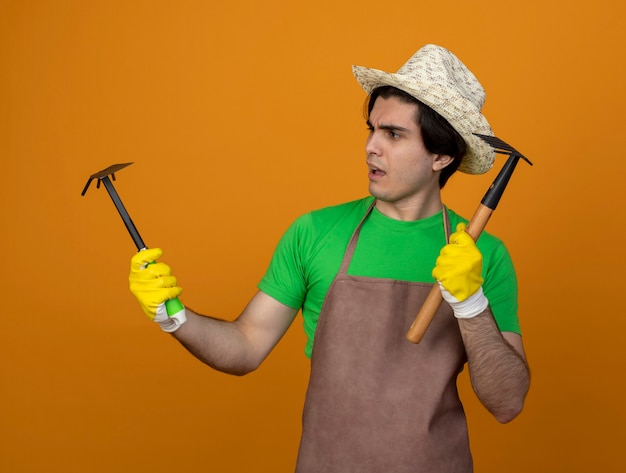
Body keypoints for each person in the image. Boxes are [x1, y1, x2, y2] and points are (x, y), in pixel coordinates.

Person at [129, 44, 530, 472]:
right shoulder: (316, 234)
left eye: (393, 134)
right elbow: (245, 348)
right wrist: (173, 316)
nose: (371, 148)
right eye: (371, 129)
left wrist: (471, 303)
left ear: (441, 155)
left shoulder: (483, 255)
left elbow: (507, 401)